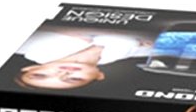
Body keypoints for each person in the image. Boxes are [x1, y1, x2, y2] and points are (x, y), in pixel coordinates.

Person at [14, 24, 153, 89]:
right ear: (99, 76)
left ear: (30, 68)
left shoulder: (23, 43)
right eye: (73, 79)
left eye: (40, 75)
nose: (63, 73)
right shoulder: (147, 51)